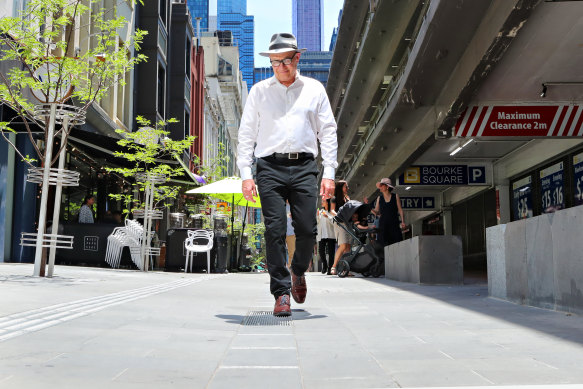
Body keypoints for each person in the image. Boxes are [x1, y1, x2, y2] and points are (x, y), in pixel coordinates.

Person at [238, 32, 337, 317]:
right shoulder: (259, 92)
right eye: (275, 61)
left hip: (306, 166)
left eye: (286, 60)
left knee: (307, 228)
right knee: (274, 230)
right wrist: (247, 174)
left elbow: (327, 132)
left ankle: (297, 272)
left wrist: (328, 172)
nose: (281, 66)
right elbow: (246, 135)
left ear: (297, 58)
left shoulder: (315, 89)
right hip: (269, 167)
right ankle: (281, 293)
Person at [372, 178, 405, 247]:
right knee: (383, 245)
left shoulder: (395, 196)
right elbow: (376, 212)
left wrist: (403, 221)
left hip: (394, 224)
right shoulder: (379, 198)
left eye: (381, 185)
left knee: (396, 244)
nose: (380, 187)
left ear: (387, 187)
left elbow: (400, 209)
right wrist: (369, 208)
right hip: (383, 225)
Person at [329, 180, 351, 275]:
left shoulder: (347, 198)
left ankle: (346, 269)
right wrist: (339, 215)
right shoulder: (334, 198)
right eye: (346, 186)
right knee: (343, 245)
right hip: (339, 222)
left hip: (348, 223)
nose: (347, 188)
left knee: (348, 246)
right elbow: (332, 211)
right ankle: (333, 267)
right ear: (340, 187)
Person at [316, 198, 335, 274]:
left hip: (330, 234)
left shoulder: (332, 212)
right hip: (322, 234)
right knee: (321, 251)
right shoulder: (320, 212)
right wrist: (317, 216)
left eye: (323, 201)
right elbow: (317, 222)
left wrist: (328, 217)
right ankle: (325, 265)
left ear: (327, 202)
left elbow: (334, 222)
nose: (322, 202)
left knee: (331, 252)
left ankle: (330, 268)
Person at [285, 202, 295, 268]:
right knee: (280, 252)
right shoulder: (280, 204)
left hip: (291, 232)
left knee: (292, 252)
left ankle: (291, 267)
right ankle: (282, 268)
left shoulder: (294, 205)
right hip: (281, 232)